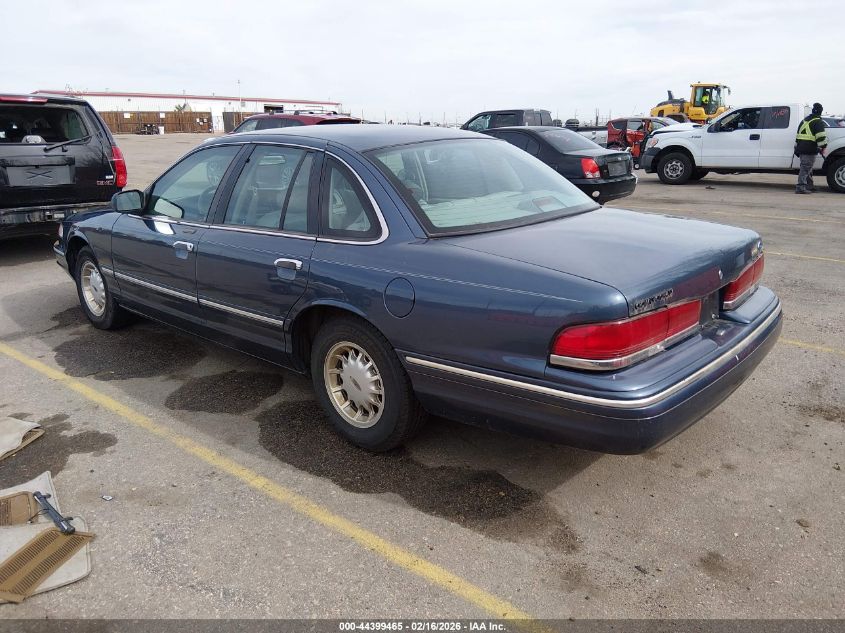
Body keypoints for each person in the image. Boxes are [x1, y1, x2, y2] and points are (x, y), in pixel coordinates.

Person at [794, 102, 828, 194]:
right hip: (809, 149)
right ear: (820, 112)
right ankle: (800, 187)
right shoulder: (818, 121)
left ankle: (809, 185)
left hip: (801, 148)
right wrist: (823, 147)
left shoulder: (805, 120)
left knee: (807, 168)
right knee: (806, 168)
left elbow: (798, 136)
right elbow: (821, 137)